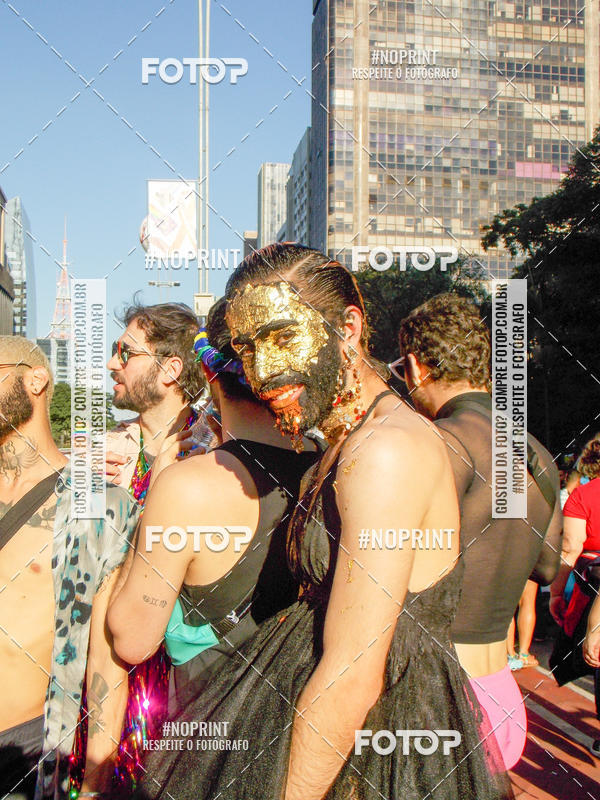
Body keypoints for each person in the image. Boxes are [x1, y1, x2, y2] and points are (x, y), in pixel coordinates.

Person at [135, 244, 512, 800]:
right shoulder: (350, 441)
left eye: (283, 336)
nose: (263, 373)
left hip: (372, 755)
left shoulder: (384, 452)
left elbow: (351, 675)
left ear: (349, 327)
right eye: (247, 349)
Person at [108, 296, 318, 708]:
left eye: (125, 353)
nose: (114, 364)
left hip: (211, 733)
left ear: (208, 370)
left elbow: (132, 640)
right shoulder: (331, 462)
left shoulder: (187, 485)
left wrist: (158, 489)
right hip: (301, 717)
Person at [397, 293, 561, 771]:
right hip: (501, 695)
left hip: (438, 694)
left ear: (415, 366)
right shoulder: (537, 453)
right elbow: (547, 568)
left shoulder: (439, 444)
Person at [0, 337, 139, 799]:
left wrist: (96, 783)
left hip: (23, 751)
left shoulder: (99, 507)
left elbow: (106, 660)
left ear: (35, 379)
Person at [105, 300, 213, 502]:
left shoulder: (213, 452)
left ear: (170, 370)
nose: (111, 364)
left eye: (125, 353)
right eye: (114, 350)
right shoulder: (104, 452)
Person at [550, 437, 600, 757]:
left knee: (595, 655)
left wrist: (556, 592)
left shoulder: (583, 494)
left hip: (591, 586)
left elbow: (569, 550)